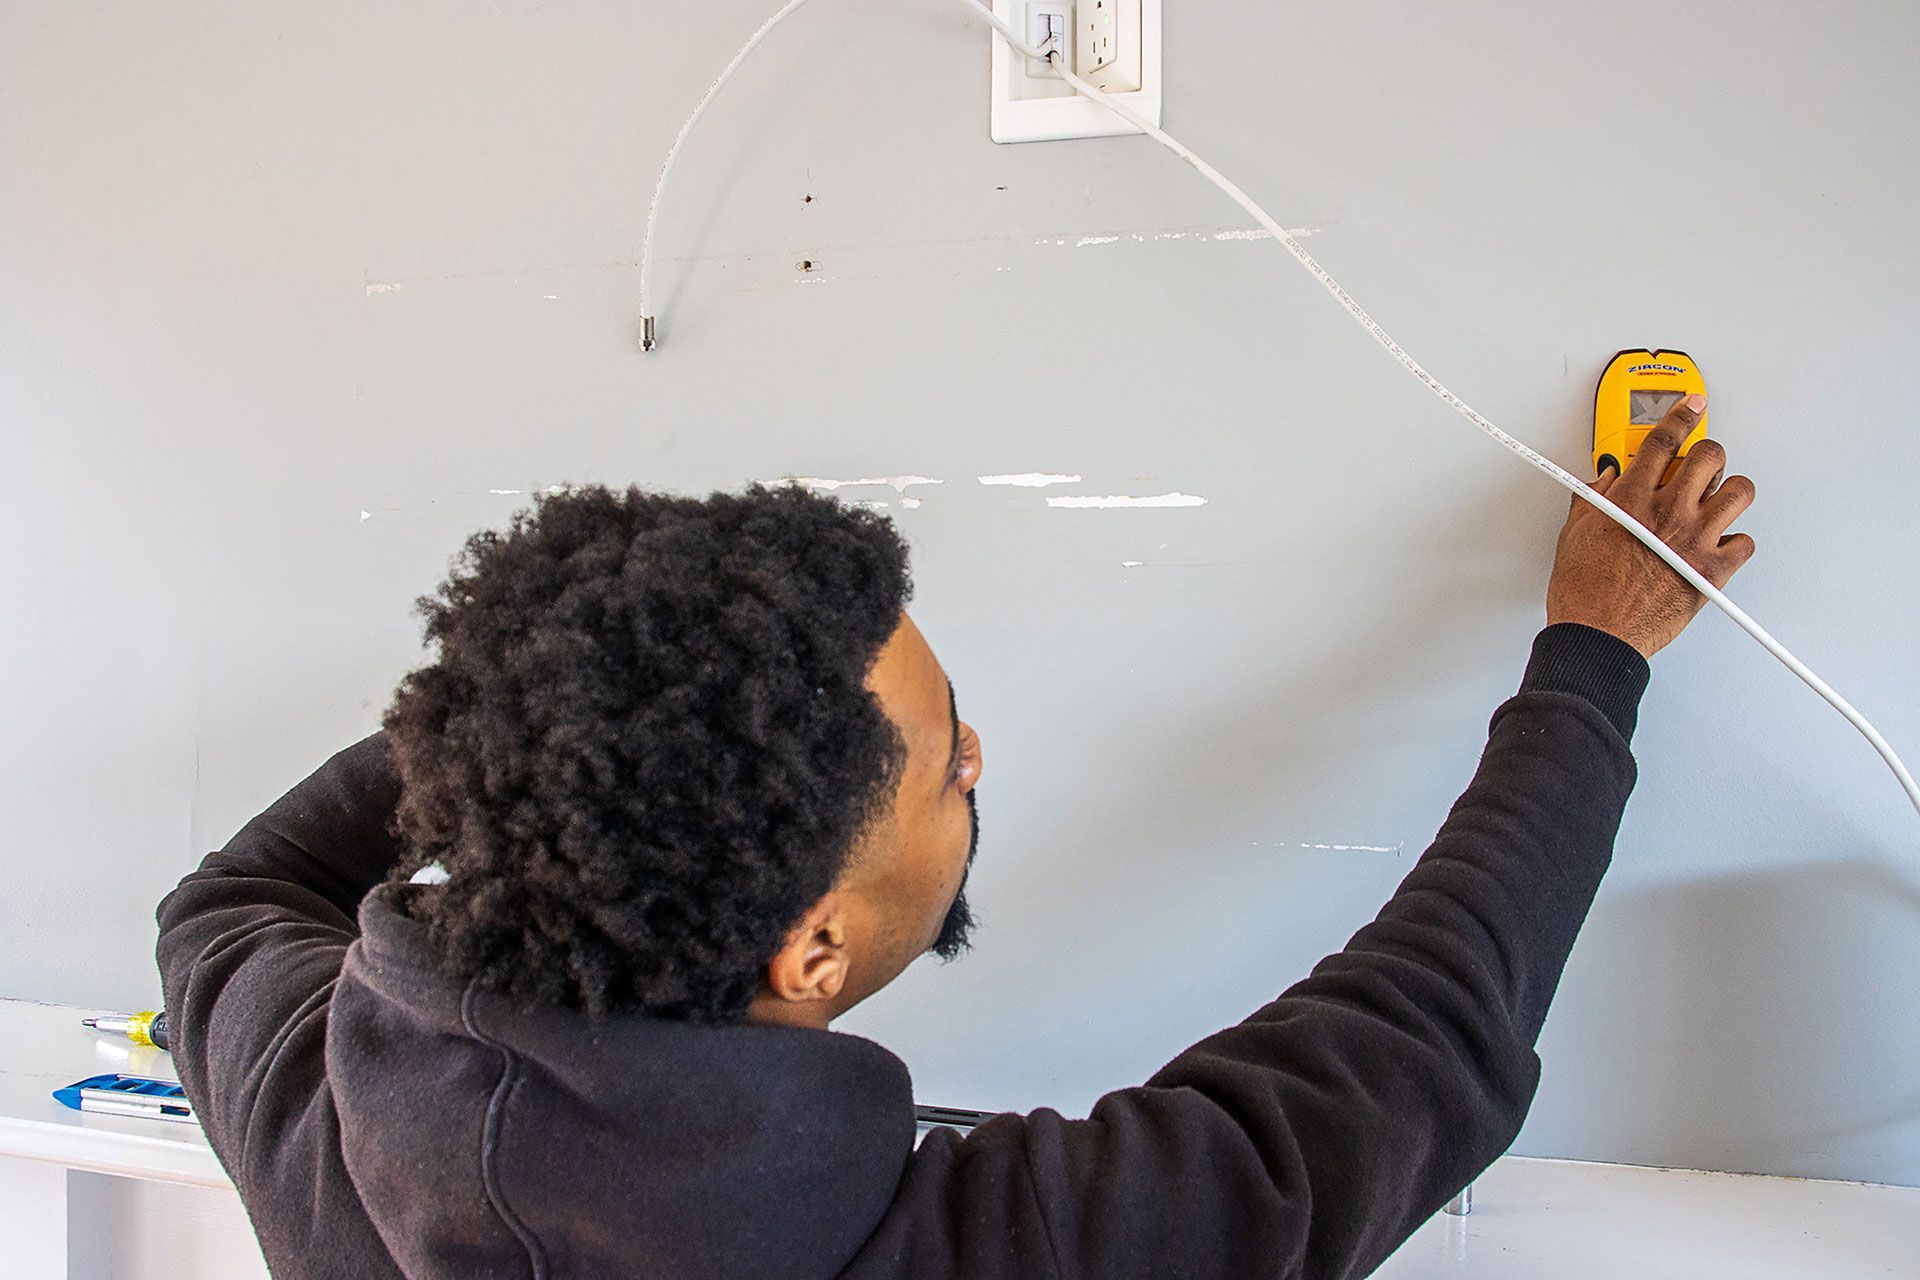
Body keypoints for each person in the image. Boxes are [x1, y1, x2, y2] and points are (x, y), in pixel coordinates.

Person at [157, 395, 1754, 1279]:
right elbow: (1415, 1054)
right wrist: (1593, 659)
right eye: (942, 774)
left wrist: (559, 689)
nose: (978, 757)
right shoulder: (988, 1256)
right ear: (813, 949)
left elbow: (232, 893)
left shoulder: (314, 1101)